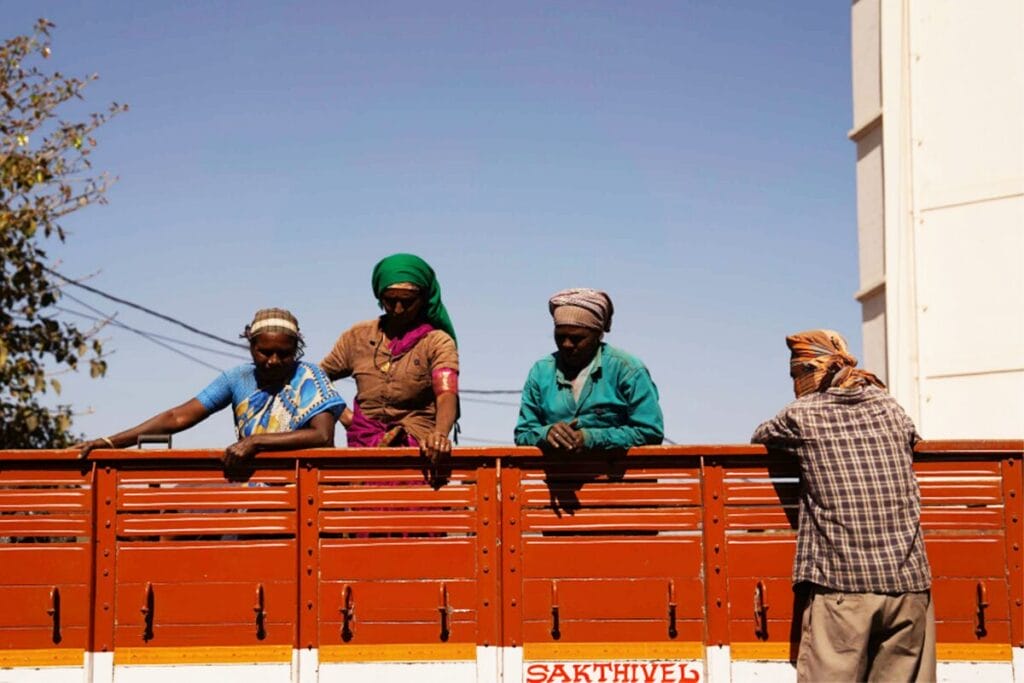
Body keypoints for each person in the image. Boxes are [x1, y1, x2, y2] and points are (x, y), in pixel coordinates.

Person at [751, 329, 935, 682]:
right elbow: (913, 438)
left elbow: (761, 434)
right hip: (908, 587)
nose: (794, 384)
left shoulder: (802, 416)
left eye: (795, 375)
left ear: (809, 370)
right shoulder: (890, 406)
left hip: (842, 588)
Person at [75, 308, 346, 466]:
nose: (274, 361)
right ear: (251, 346)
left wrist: (255, 441)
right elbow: (177, 417)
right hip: (254, 497)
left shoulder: (310, 376)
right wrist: (109, 443)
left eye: (284, 354)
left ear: (296, 350)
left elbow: (321, 436)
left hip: (307, 487)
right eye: (265, 352)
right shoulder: (236, 379)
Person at [320, 253, 458, 463]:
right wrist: (344, 415)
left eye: (407, 301)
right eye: (390, 301)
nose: (398, 309)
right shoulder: (357, 337)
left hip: (418, 453)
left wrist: (439, 434)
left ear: (423, 299)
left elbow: (446, 393)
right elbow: (315, 378)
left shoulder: (437, 342)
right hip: (363, 449)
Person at [514, 288, 664, 451]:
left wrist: (590, 438)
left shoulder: (628, 370)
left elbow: (650, 432)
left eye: (577, 338)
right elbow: (523, 434)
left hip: (620, 475)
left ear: (598, 335)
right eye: (560, 336)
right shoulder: (540, 372)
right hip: (561, 475)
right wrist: (546, 434)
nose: (567, 344)